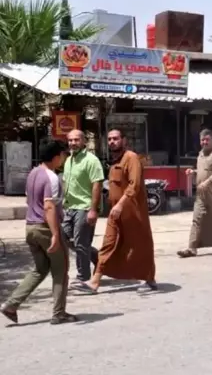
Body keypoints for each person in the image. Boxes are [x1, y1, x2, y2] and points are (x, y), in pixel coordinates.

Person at [0, 139, 77, 325]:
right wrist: (56, 235)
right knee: (60, 270)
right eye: (63, 155)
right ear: (57, 156)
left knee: (40, 269)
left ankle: (11, 305)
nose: (64, 159)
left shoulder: (33, 173)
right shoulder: (51, 177)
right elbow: (49, 207)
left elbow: (29, 201)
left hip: (30, 227)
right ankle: (59, 313)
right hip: (45, 229)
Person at [73, 129, 157, 294]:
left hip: (133, 212)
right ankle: (95, 281)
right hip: (115, 213)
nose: (112, 142)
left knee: (140, 245)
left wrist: (120, 204)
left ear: (124, 140)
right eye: (110, 139)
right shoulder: (114, 161)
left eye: (116, 139)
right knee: (108, 244)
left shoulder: (131, 158)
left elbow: (135, 185)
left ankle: (149, 278)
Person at [177, 129, 212, 258]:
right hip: (201, 194)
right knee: (197, 219)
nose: (204, 142)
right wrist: (193, 172)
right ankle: (192, 248)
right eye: (202, 140)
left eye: (207, 139)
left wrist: (207, 182)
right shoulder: (200, 154)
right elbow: (203, 170)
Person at [61, 129, 103, 283]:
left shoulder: (91, 160)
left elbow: (97, 185)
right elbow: (66, 182)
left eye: (76, 140)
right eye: (70, 140)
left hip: (84, 207)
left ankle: (83, 277)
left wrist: (93, 210)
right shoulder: (69, 160)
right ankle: (96, 257)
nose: (73, 143)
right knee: (63, 237)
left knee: (80, 243)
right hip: (70, 207)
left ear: (84, 141)